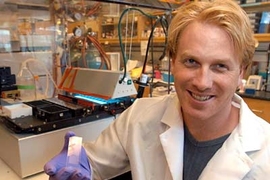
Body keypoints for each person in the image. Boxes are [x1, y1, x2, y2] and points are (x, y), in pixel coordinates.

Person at [44, 0, 270, 179]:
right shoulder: (139, 116)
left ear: (242, 72)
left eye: (220, 66)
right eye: (191, 61)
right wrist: (76, 162)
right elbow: (92, 165)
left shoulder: (265, 152)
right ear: (173, 62)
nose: (202, 82)